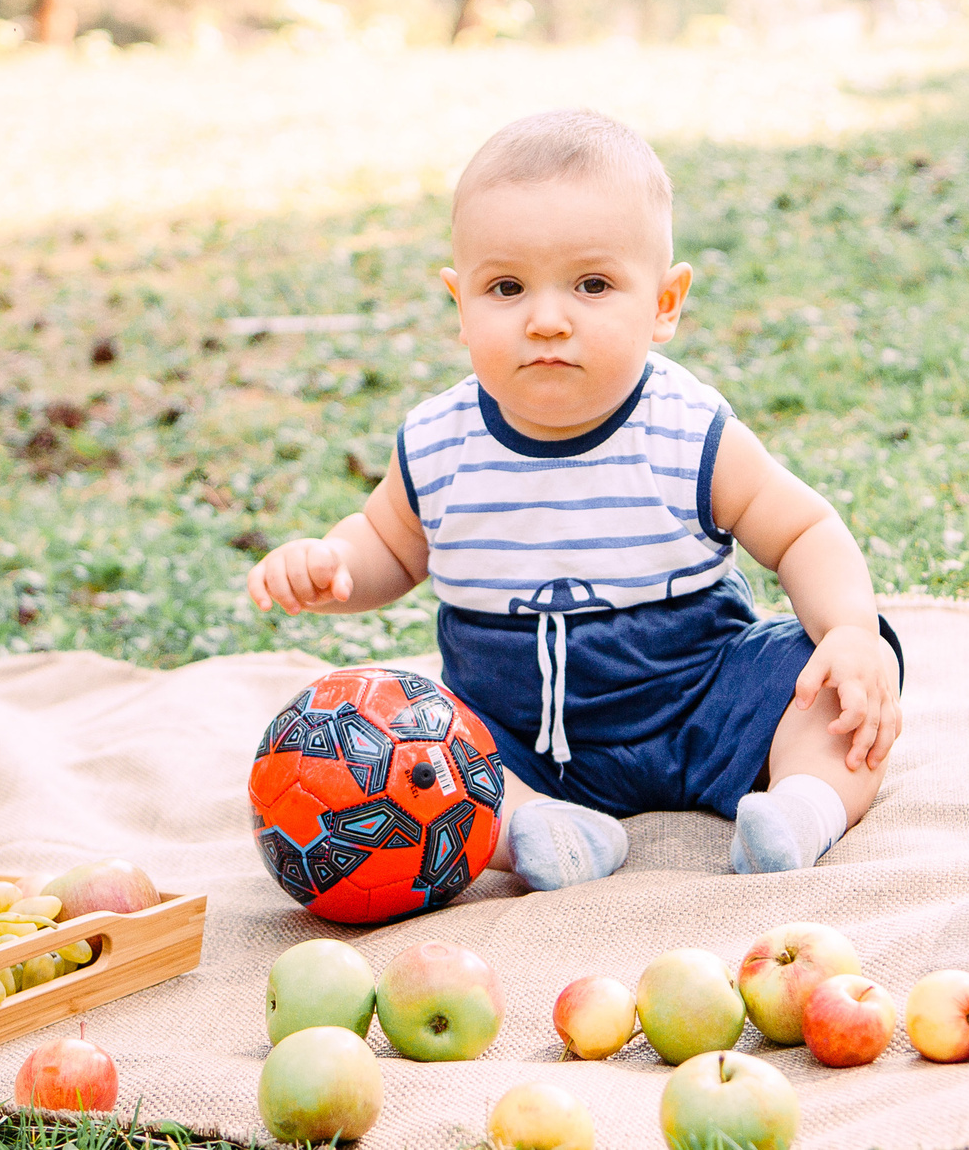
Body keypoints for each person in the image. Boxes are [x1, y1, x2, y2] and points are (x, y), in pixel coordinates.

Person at [244, 108, 903, 891]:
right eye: (506, 287)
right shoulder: (439, 442)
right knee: (417, 746)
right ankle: (537, 828)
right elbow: (388, 545)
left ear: (664, 302)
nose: (546, 318)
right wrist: (333, 565)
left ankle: (802, 807)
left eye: (592, 284)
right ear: (460, 304)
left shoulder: (687, 431)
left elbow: (803, 529)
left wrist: (851, 630)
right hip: (519, 732)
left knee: (834, 679)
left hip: (702, 697)